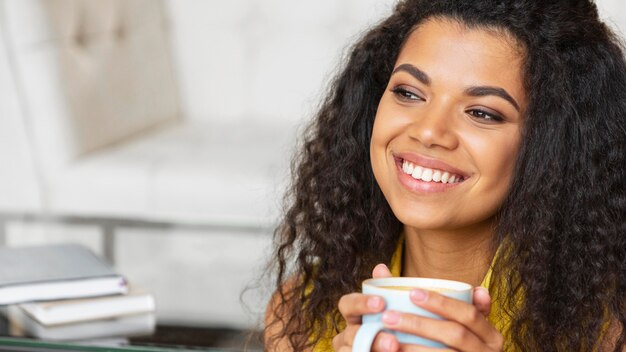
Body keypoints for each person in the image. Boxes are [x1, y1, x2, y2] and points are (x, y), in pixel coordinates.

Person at [263, 0, 626, 351]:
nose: (429, 132)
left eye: (482, 113)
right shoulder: (300, 316)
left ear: (552, 146)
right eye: (408, 93)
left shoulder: (609, 334)